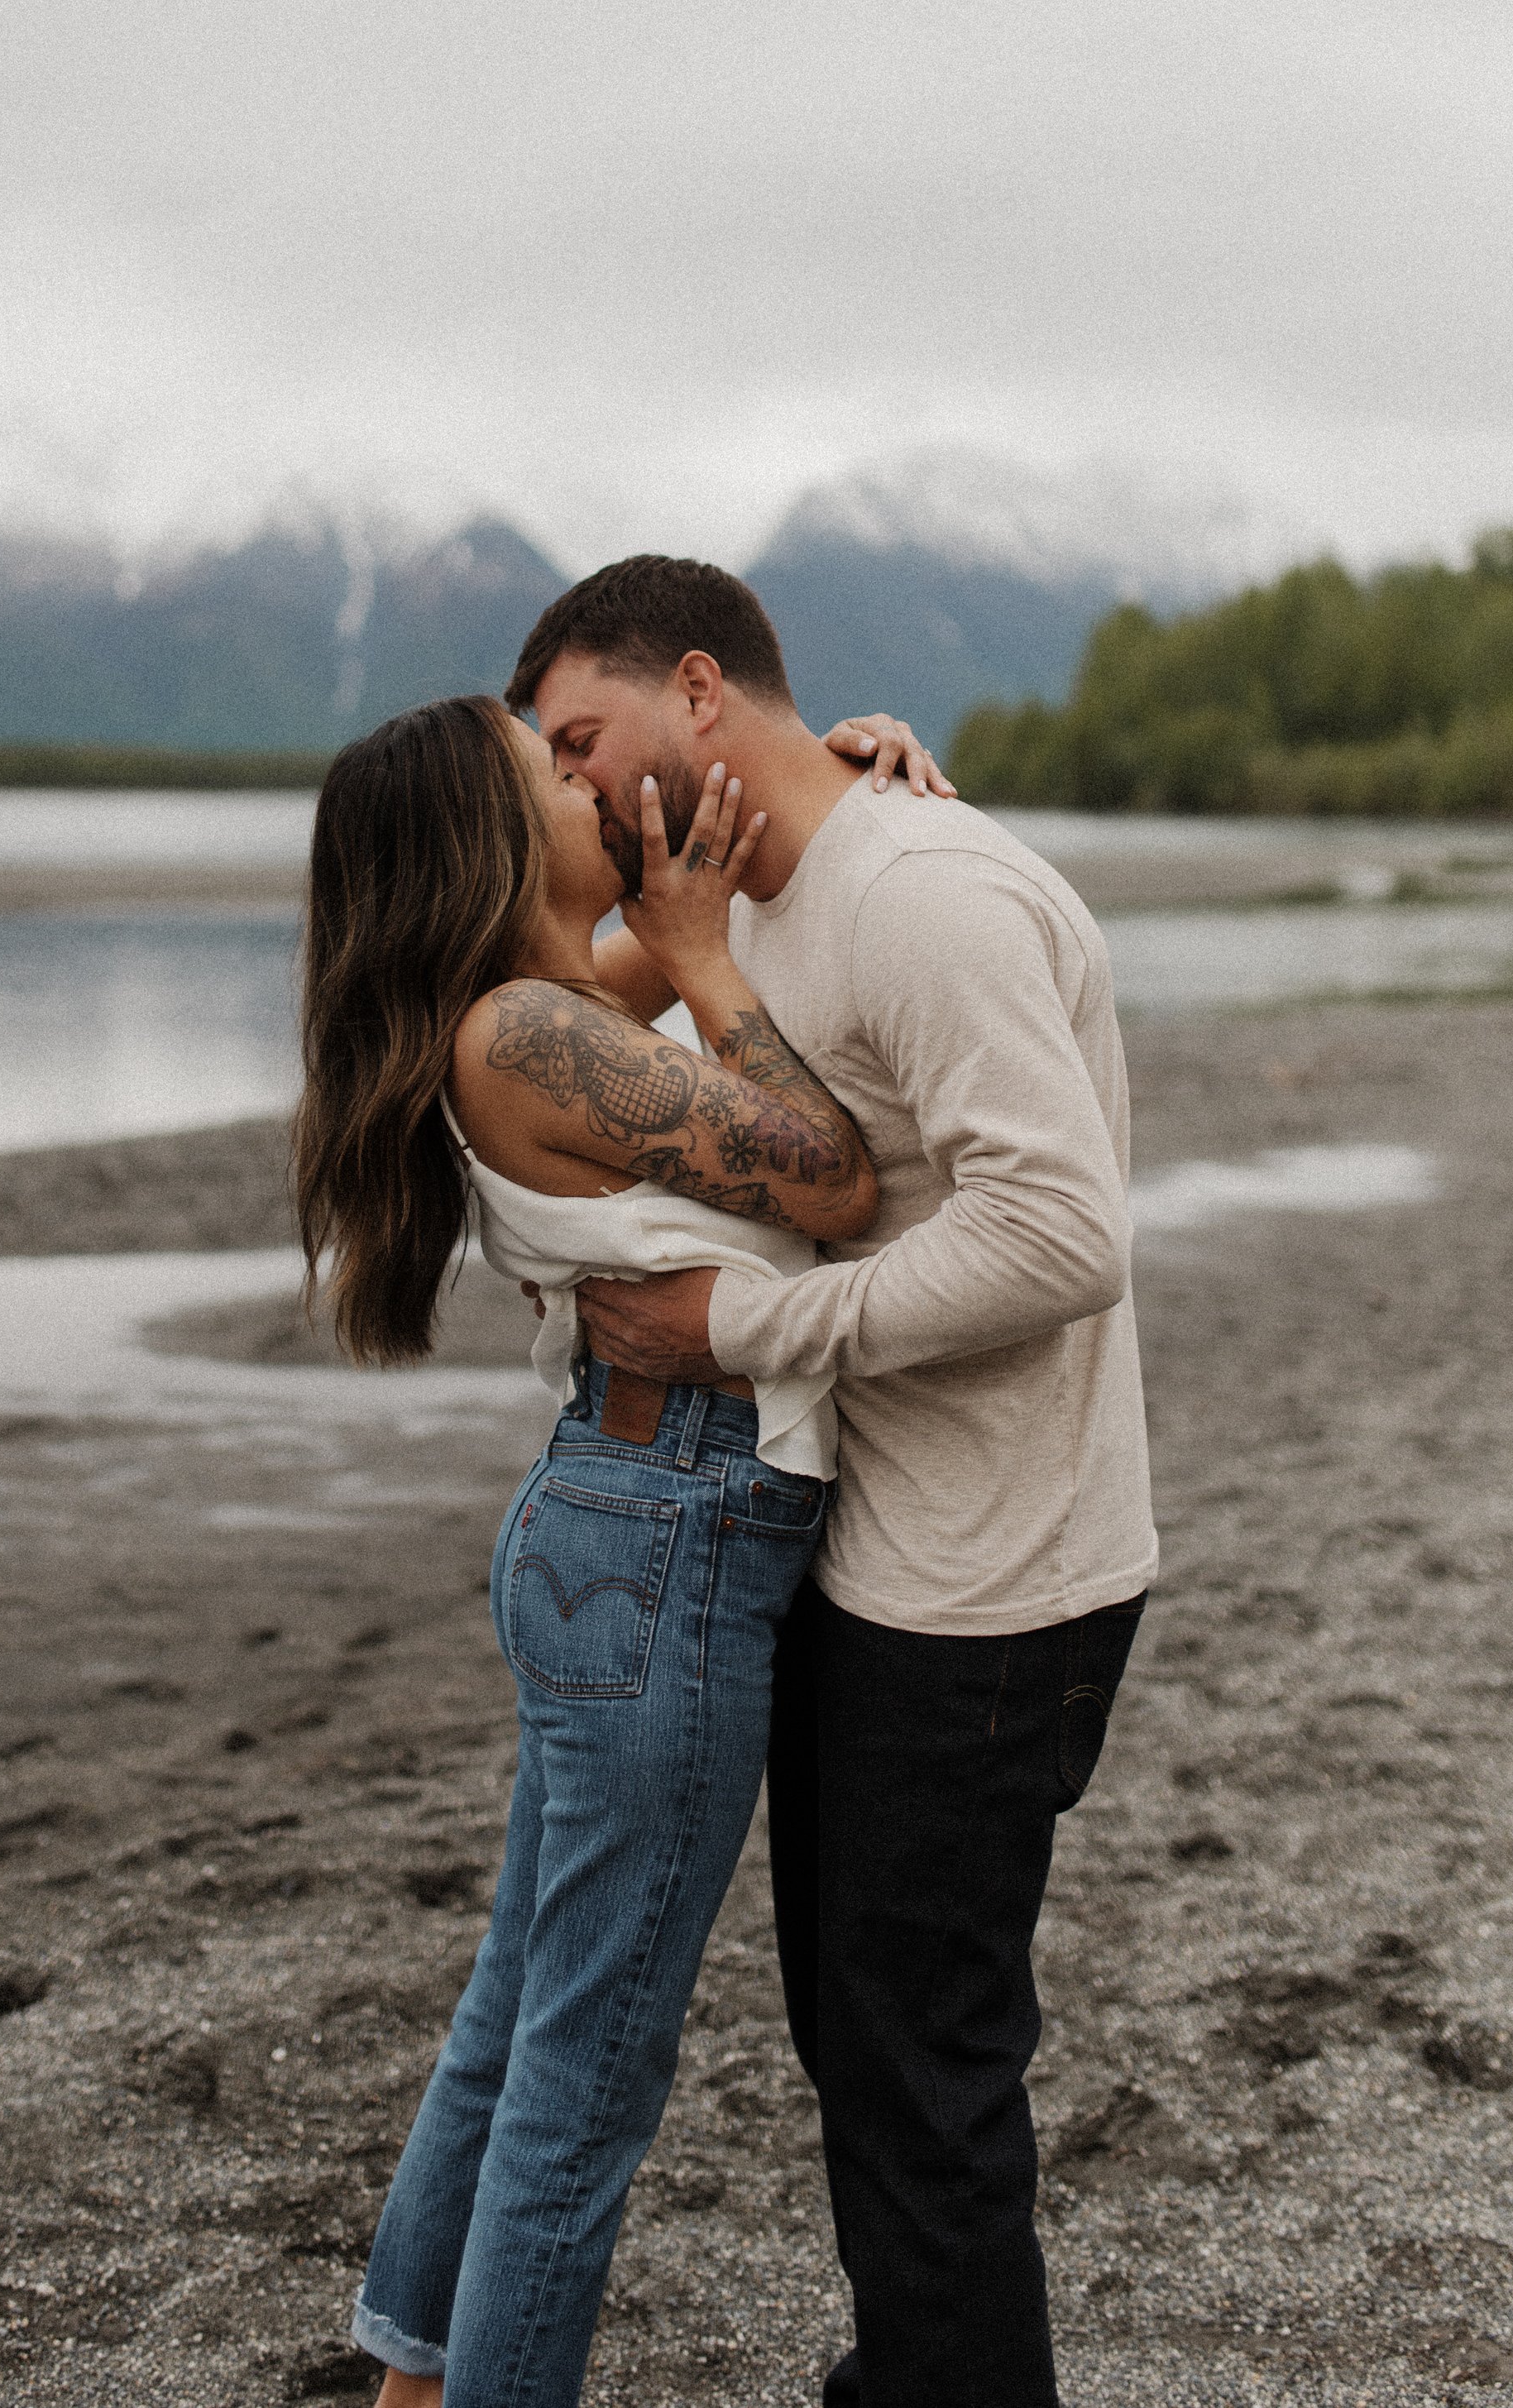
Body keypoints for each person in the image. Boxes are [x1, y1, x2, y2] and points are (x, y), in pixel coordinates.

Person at [509, 556, 1156, 2408]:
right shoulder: (742, 891)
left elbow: (1060, 1237)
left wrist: (734, 1330)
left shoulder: (921, 893)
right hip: (880, 1560)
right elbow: (526, 1011)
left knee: (921, 2084)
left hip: (991, 1584)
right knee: (869, 2051)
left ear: (695, 692)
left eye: (581, 740)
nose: (568, 789)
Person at [294, 688, 895, 2408]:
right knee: (590, 2063)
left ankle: (410, 2378)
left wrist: (839, 766)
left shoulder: (542, 1008)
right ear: (486, 841)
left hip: (624, 1522)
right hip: (668, 1536)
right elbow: (833, 1180)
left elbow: (720, 874)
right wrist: (706, 955)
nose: (583, 775)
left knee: (521, 2011)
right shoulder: (524, 1037)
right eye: (545, 766)